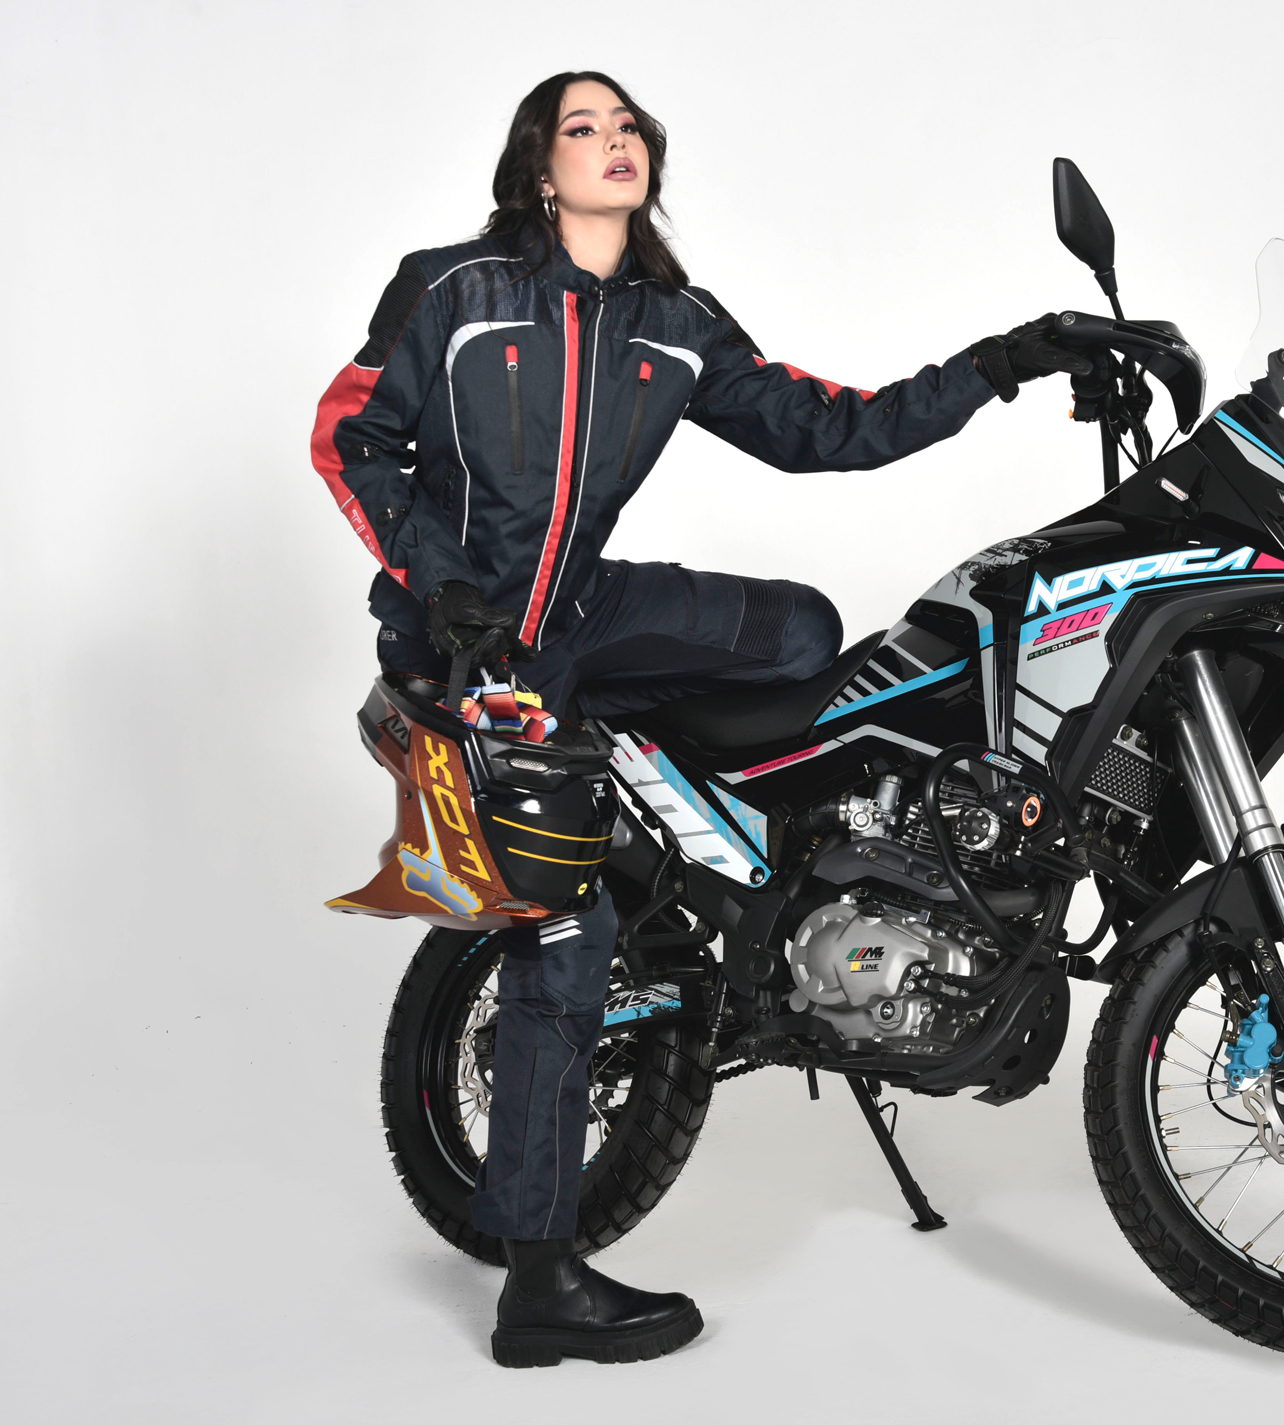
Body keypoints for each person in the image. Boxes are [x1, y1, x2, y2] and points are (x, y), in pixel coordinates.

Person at [310, 70, 1083, 1368]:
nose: (612, 142)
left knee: (801, 636)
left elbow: (830, 429)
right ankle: (539, 1282)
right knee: (567, 934)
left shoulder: (673, 322)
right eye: (583, 128)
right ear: (539, 168)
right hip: (471, 639)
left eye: (628, 127)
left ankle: (719, 857)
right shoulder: (454, 291)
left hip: (580, 613)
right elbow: (350, 437)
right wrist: (440, 586)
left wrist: (1007, 362)